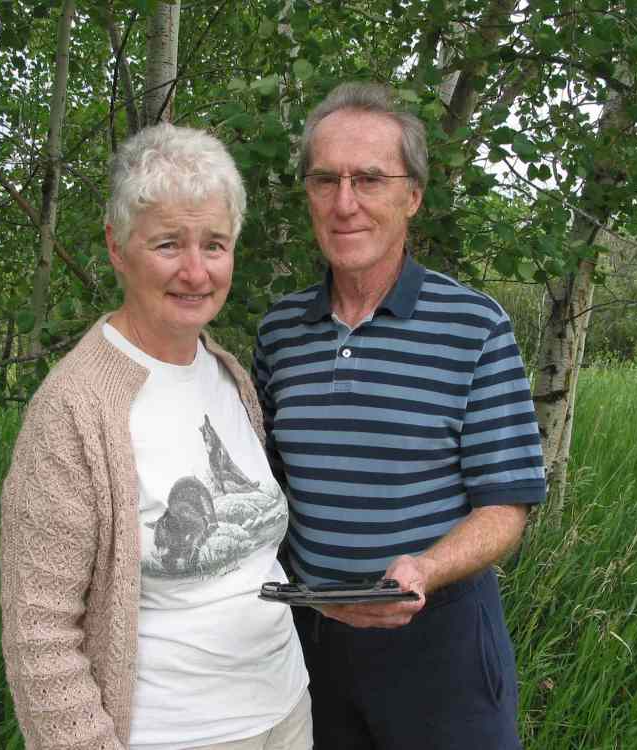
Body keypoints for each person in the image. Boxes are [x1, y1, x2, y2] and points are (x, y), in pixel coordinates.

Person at [252, 82, 546, 750]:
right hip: (310, 645)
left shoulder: (475, 327)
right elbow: (264, 489)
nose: (345, 203)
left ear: (412, 196)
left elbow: (507, 509)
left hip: (440, 648)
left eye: (368, 179)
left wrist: (425, 568)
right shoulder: (279, 332)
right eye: (325, 180)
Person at [0, 123, 310, 750]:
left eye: (215, 245)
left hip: (285, 712)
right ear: (118, 247)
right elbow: (39, 635)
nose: (195, 272)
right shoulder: (75, 408)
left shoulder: (228, 376)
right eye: (169, 244)